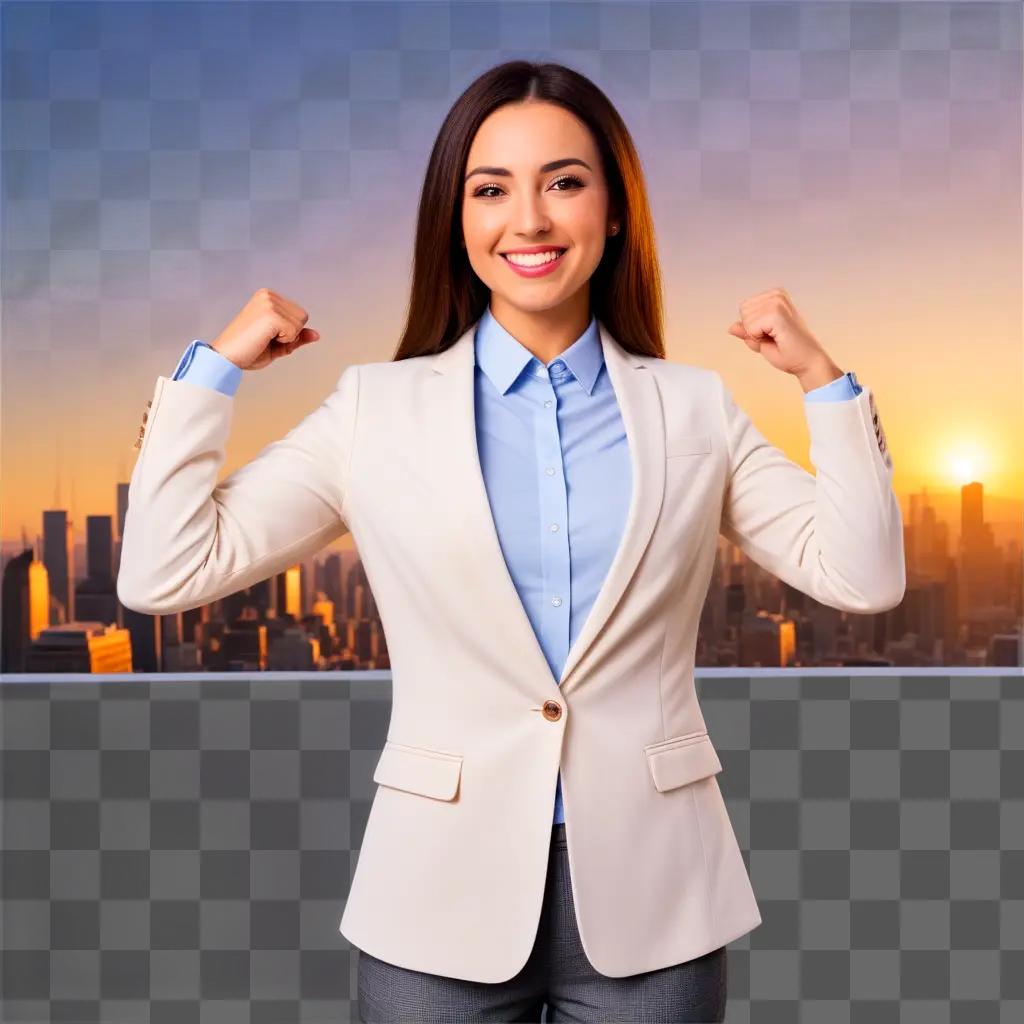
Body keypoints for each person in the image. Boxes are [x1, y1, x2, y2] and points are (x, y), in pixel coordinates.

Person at [119, 60, 904, 1024]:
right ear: (458, 219)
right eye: (490, 190)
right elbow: (165, 568)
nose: (527, 220)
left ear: (614, 211)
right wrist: (213, 372)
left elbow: (862, 576)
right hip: (435, 893)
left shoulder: (691, 406)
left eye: (564, 182)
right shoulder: (377, 409)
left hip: (653, 894)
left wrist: (824, 382)